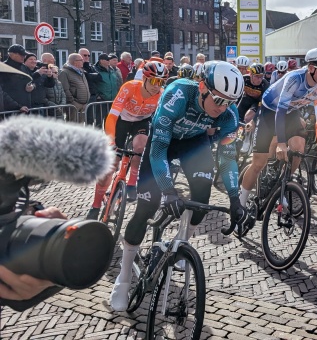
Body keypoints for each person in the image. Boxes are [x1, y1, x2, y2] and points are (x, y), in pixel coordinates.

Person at [109, 61, 249, 311]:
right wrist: (169, 190)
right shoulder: (179, 94)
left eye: (230, 102)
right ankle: (124, 276)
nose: (222, 108)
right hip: (164, 141)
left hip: (193, 143)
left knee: (202, 200)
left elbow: (227, 159)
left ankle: (183, 243)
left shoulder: (229, 115)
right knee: (146, 207)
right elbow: (159, 150)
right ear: (203, 87)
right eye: (218, 100)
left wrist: (235, 199)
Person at [238, 49, 317, 209]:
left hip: (291, 113)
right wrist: (281, 143)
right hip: (270, 112)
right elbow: (280, 111)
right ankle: (240, 204)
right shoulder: (294, 79)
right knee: (258, 164)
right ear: (311, 68)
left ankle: (281, 185)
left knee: (298, 148)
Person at [87, 62, 169, 219]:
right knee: (110, 167)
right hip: (121, 121)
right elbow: (112, 116)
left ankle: (131, 182)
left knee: (140, 146)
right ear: (144, 78)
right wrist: (111, 140)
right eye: (153, 81)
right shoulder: (130, 87)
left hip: (141, 122)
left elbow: (161, 121)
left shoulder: (161, 95)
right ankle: (96, 205)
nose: (156, 86)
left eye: (161, 82)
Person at [57, 53, 91, 122]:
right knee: (73, 125)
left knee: (81, 125)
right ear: (75, 62)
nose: (83, 61)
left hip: (83, 104)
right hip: (74, 105)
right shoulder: (64, 72)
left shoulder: (81, 71)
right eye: (81, 60)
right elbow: (65, 89)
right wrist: (73, 102)